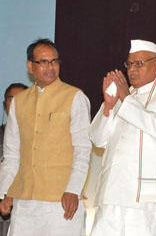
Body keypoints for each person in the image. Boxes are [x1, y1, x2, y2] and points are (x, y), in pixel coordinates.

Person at [89, 39, 156, 236]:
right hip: (112, 197)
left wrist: (125, 99)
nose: (132, 69)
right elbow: (98, 140)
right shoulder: (121, 99)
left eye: (139, 64)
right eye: (129, 64)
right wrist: (108, 105)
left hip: (147, 203)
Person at [0, 39, 91, 235]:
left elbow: (83, 149)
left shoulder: (75, 97)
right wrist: (6, 192)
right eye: (43, 62)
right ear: (30, 66)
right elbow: (12, 153)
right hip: (24, 201)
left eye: (54, 61)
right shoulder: (18, 102)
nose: (50, 67)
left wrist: (73, 189)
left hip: (61, 201)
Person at [0, 83, 27, 236]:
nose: (17, 102)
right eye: (12, 99)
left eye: (21, 98)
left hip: (29, 205)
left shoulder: (39, 138)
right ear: (5, 105)